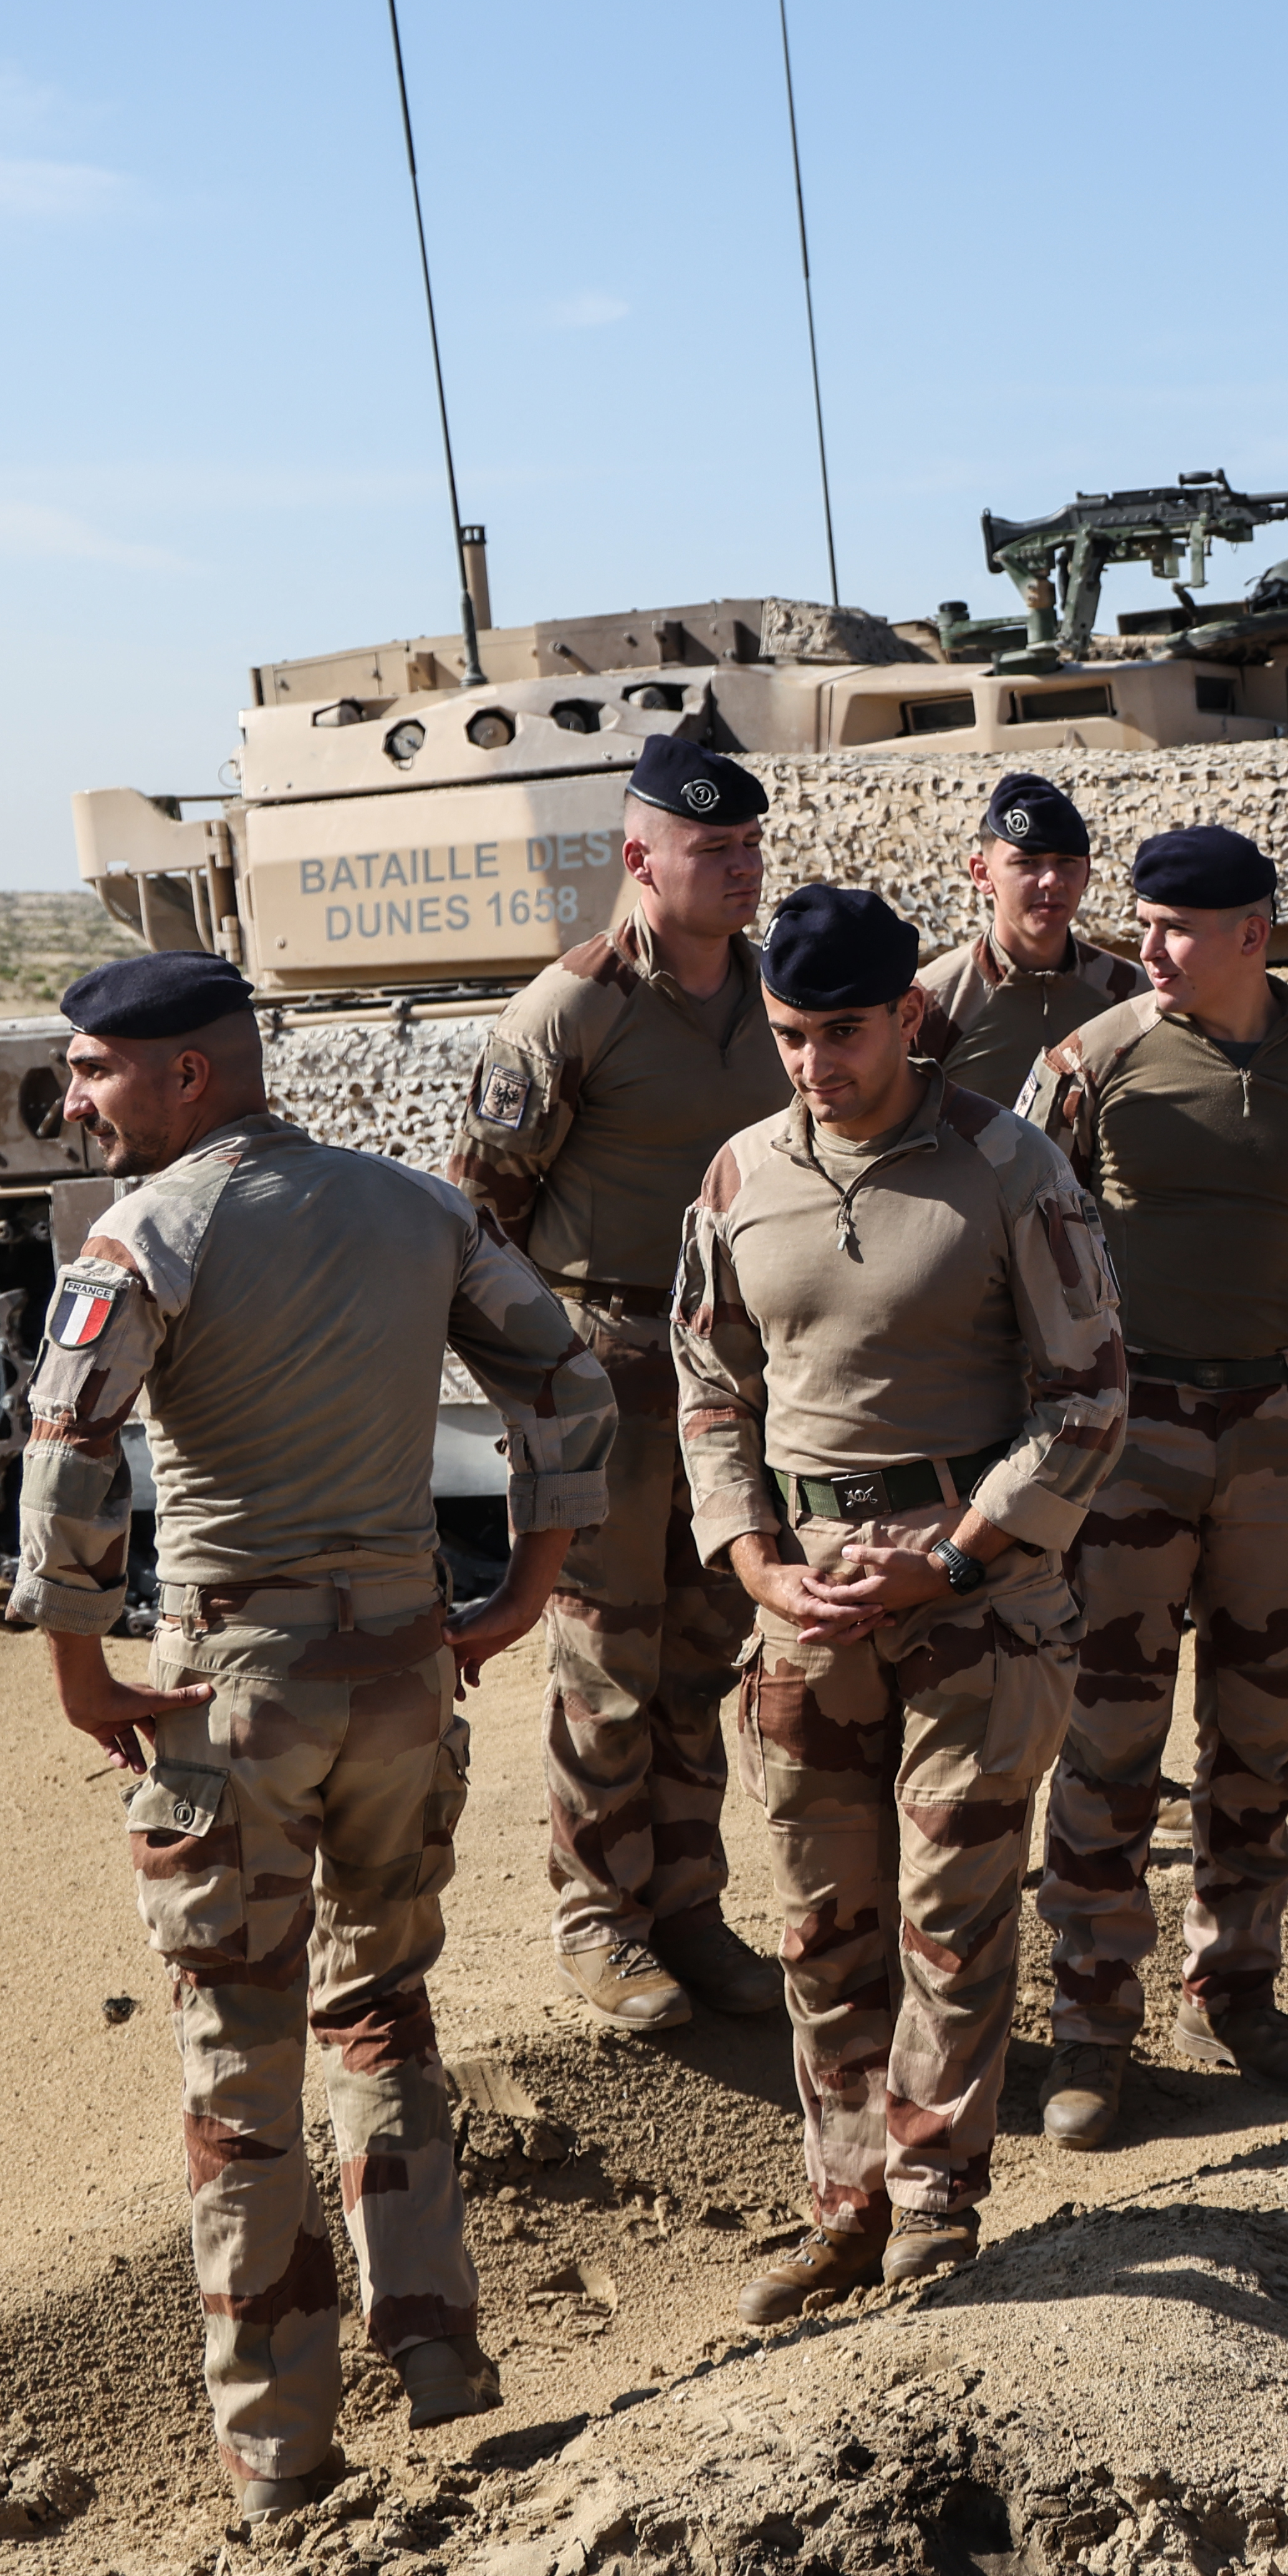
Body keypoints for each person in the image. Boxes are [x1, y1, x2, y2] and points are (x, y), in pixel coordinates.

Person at [7, 950, 616, 2518]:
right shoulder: (423, 1209)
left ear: (187, 1076)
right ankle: (435, 2352)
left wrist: (83, 1680)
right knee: (384, 2008)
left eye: (92, 1071)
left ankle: (279, 2444)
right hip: (408, 1671)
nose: (73, 1100)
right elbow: (563, 1382)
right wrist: (515, 1598)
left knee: (237, 2057)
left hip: (238, 1690)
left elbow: (70, 1451)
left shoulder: (147, 1235)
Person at [674, 886, 1131, 2313]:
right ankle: (844, 2203)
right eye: (792, 1038)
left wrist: (952, 1554)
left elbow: (1088, 1395)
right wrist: (755, 1562)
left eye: (846, 1034)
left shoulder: (1010, 1170)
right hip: (804, 1607)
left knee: (952, 1914)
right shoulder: (739, 1178)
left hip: (972, 1605)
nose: (819, 1065)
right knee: (824, 1923)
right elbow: (704, 1385)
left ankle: (933, 2196)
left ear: (910, 1018)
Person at [1022, 825, 1288, 2147]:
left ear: (1251, 932)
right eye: (1140, 922)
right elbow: (1026, 1235)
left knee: (1257, 1733)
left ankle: (1234, 1988)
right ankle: (1089, 2022)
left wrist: (1285, 1349)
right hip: (1130, 1438)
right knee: (1110, 1738)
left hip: (1274, 1438)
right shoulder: (1092, 1061)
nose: (1146, 944)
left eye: (1176, 927)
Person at [448, 732, 789, 2034]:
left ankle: (687, 1905)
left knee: (706, 1644)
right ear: (639, 857)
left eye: (751, 845)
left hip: (732, 1374)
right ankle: (598, 1917)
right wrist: (541, 1391)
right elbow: (477, 1220)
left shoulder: (771, 999)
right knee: (605, 1655)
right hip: (604, 1372)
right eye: (713, 848)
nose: (740, 867)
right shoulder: (572, 1008)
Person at [903, 769, 1143, 1117]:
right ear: (982, 874)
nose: (1051, 880)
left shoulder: (1133, 995)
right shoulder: (928, 1004)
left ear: (1087, 872)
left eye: (1067, 862)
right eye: (1027, 862)